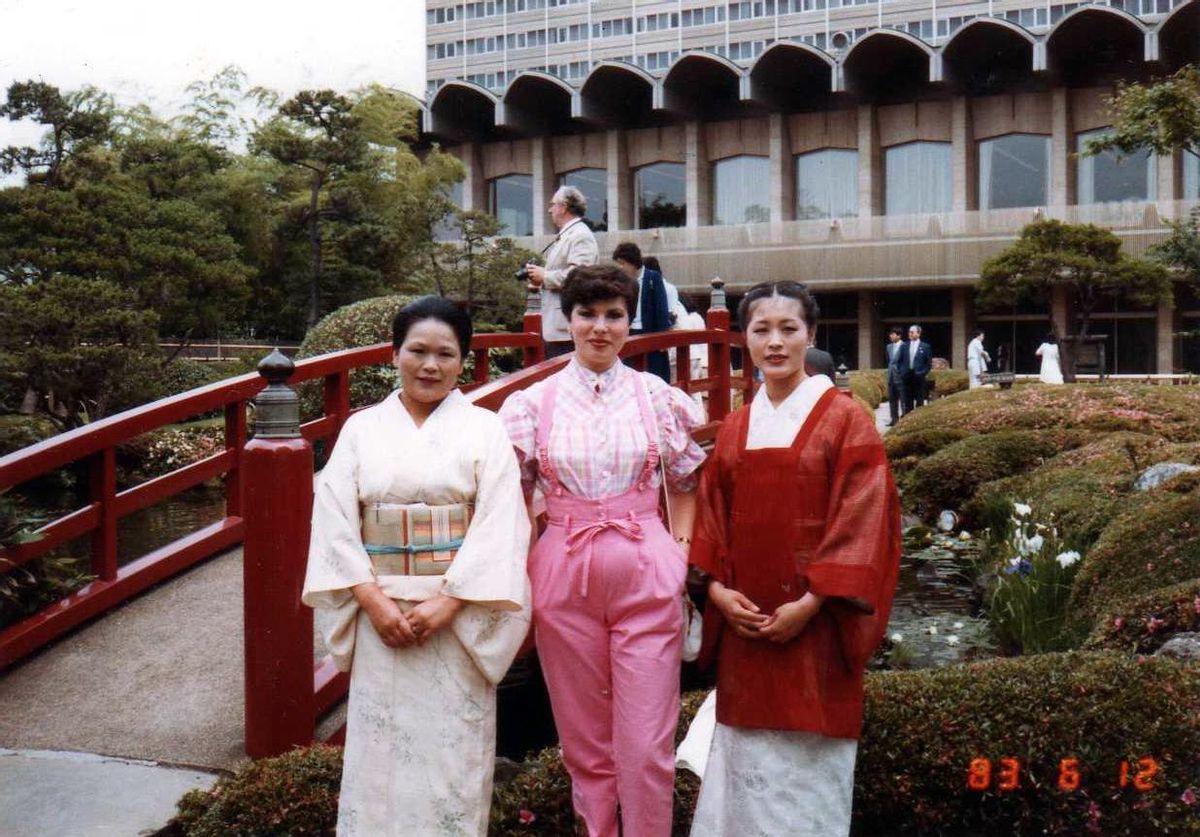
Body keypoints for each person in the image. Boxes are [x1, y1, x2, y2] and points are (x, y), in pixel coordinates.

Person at [303, 297, 531, 837]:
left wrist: (449, 603)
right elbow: (334, 518)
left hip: (457, 618)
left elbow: (503, 522)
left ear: (463, 361)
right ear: (394, 354)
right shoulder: (361, 430)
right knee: (379, 759)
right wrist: (373, 601)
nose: (430, 365)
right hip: (379, 613)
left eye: (445, 354)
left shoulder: (485, 430)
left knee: (451, 762)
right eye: (418, 351)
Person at [687, 281, 901, 837]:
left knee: (808, 764)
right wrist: (714, 592)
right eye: (761, 330)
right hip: (744, 621)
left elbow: (866, 518)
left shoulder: (844, 418)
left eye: (789, 329)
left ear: (811, 333)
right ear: (744, 339)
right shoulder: (736, 425)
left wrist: (810, 603)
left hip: (818, 624)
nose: (775, 342)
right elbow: (710, 515)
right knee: (745, 758)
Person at [500, 265, 706, 837]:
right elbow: (512, 496)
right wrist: (524, 566)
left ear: (628, 321)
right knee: (585, 742)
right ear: (567, 320)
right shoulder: (531, 404)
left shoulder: (656, 397)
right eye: (587, 314)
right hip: (564, 571)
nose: (600, 327)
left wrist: (680, 555)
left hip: (647, 565)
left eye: (613, 315)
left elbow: (688, 480)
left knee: (646, 744)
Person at [524, 185, 599, 359]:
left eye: (553, 205)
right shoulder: (569, 234)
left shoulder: (580, 235)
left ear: (563, 207)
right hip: (559, 325)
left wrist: (545, 276)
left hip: (567, 326)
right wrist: (542, 278)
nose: (550, 210)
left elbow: (581, 276)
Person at [613, 242, 677, 382]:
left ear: (632, 262)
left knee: (653, 371)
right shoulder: (622, 281)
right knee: (630, 371)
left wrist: (663, 338)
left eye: (622, 263)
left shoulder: (652, 277)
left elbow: (661, 307)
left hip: (650, 331)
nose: (620, 267)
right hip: (630, 331)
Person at [897, 324, 932, 414]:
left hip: (919, 376)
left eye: (912, 332)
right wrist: (901, 372)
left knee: (919, 399)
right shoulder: (904, 346)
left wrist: (923, 373)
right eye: (909, 332)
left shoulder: (925, 347)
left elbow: (928, 364)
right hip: (906, 375)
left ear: (919, 333)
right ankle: (908, 416)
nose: (910, 334)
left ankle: (918, 417)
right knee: (907, 400)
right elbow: (899, 361)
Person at [885, 327, 905, 425]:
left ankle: (905, 419)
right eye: (890, 334)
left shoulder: (904, 346)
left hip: (901, 377)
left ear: (899, 336)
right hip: (891, 376)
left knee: (903, 399)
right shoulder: (889, 347)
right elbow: (889, 361)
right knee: (892, 399)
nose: (891, 336)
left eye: (893, 334)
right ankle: (894, 419)